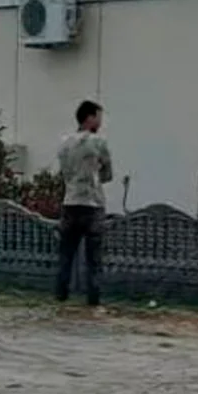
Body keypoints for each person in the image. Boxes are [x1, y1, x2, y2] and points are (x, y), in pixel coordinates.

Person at [55, 100, 113, 307]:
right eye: (98, 117)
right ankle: (93, 300)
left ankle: (61, 295)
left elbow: (64, 172)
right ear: (89, 118)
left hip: (70, 201)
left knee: (66, 255)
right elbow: (108, 173)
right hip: (92, 203)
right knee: (94, 258)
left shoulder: (64, 143)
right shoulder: (98, 142)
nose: (100, 122)